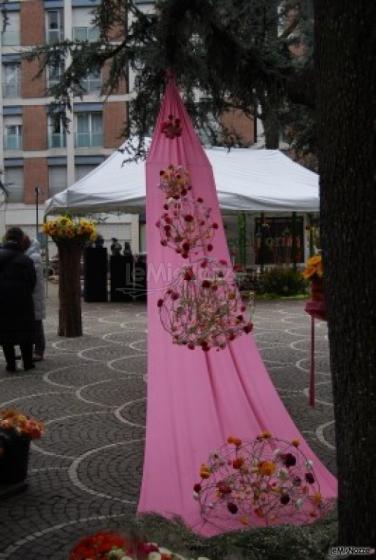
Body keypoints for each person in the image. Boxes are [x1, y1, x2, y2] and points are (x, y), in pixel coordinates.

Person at [0, 227, 36, 372]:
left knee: (5, 333)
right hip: (23, 301)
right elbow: (33, 282)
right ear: (21, 239)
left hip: (2, 301)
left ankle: (11, 364)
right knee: (25, 332)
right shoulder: (26, 259)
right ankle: (27, 363)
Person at [23, 236, 46, 361]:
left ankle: (39, 351)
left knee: (37, 324)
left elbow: (33, 279)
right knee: (34, 323)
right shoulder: (30, 255)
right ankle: (34, 350)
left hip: (34, 296)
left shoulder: (33, 257)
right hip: (33, 295)